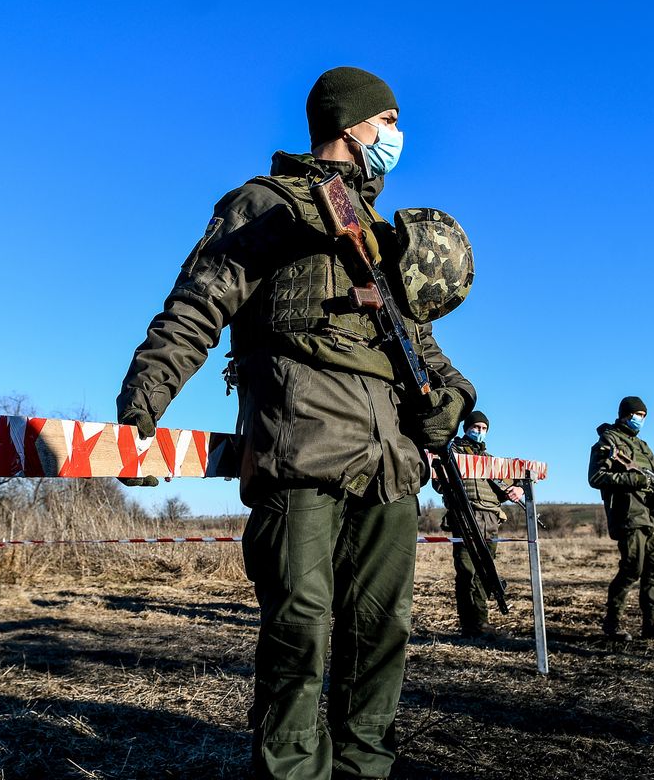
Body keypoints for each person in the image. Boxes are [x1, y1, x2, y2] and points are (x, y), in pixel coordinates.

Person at [116, 66, 476, 779]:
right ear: (350, 125)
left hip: (391, 466)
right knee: (299, 635)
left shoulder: (382, 237)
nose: (398, 136)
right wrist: (140, 411)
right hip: (301, 445)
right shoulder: (267, 205)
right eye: (389, 121)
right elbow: (195, 307)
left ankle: (363, 772)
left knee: (382, 633)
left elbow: (427, 349)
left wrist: (453, 399)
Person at [588, 395, 654, 641]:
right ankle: (612, 624)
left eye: (643, 416)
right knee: (632, 568)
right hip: (630, 515)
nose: (640, 420)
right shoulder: (607, 441)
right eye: (637, 415)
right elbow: (596, 477)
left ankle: (651, 623)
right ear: (624, 415)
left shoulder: (644, 447)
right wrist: (635, 479)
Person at [434, 410, 524, 638]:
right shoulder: (452, 453)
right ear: (466, 428)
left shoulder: (491, 462)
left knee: (486, 572)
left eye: (484, 429)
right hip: (466, 518)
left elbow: (513, 483)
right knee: (466, 572)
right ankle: (469, 625)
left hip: (491, 518)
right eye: (476, 427)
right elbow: (438, 482)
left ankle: (481, 623)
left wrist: (518, 488)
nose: (480, 432)